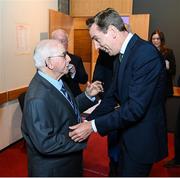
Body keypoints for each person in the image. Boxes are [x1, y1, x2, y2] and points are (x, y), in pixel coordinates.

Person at [69, 8, 168, 176]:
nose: (96, 46)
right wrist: (88, 121)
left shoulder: (145, 54)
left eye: (97, 39)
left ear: (113, 31)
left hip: (141, 141)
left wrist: (92, 127)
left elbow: (134, 109)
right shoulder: (121, 54)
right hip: (126, 136)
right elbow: (112, 95)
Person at [21, 39, 103, 177]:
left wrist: (87, 96)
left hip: (67, 163)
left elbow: (67, 108)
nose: (69, 58)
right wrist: (80, 136)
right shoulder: (38, 98)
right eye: (64, 55)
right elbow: (45, 143)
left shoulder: (57, 80)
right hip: (54, 170)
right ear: (49, 63)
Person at [92, 50, 120, 176]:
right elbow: (97, 78)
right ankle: (113, 167)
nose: (97, 46)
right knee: (114, 138)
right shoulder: (104, 54)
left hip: (126, 107)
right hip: (110, 104)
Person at [51, 29, 88, 97]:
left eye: (63, 41)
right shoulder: (47, 61)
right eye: (57, 41)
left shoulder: (76, 59)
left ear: (67, 42)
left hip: (75, 97)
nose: (60, 44)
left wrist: (74, 73)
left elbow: (84, 80)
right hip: (55, 97)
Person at [150, 29, 176, 97]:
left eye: (158, 39)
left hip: (163, 88)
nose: (155, 41)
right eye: (153, 39)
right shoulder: (148, 52)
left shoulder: (168, 52)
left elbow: (173, 72)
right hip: (150, 88)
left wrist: (167, 67)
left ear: (161, 40)